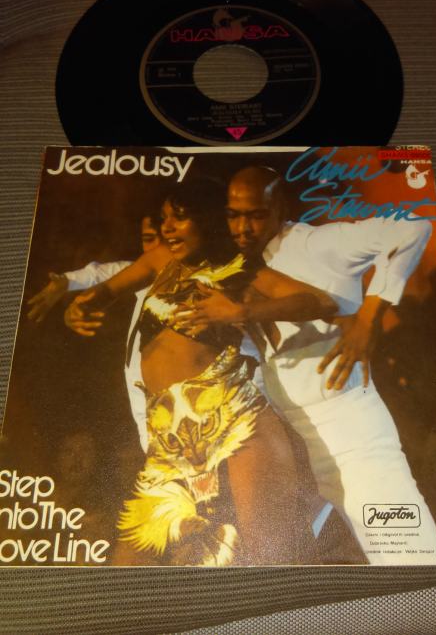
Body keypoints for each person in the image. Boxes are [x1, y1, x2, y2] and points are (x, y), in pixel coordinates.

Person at [65, 179, 337, 567]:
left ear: (207, 219)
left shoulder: (239, 270)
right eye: (164, 218)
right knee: (127, 563)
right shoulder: (160, 260)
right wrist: (79, 308)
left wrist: (242, 311)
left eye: (179, 218)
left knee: (268, 557)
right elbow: (103, 293)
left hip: (233, 419)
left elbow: (320, 301)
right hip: (168, 438)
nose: (167, 228)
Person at [216, 165, 436, 565]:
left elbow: (412, 227)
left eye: (256, 215)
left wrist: (370, 316)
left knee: (408, 554)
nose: (243, 228)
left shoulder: (316, 243)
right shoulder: (241, 267)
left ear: (280, 208)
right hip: (292, 437)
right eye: (234, 215)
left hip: (348, 429)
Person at [27, 214, 163, 450]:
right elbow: (102, 273)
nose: (157, 250)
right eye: (149, 239)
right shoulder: (139, 273)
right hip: (140, 395)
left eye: (166, 240)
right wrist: (67, 283)